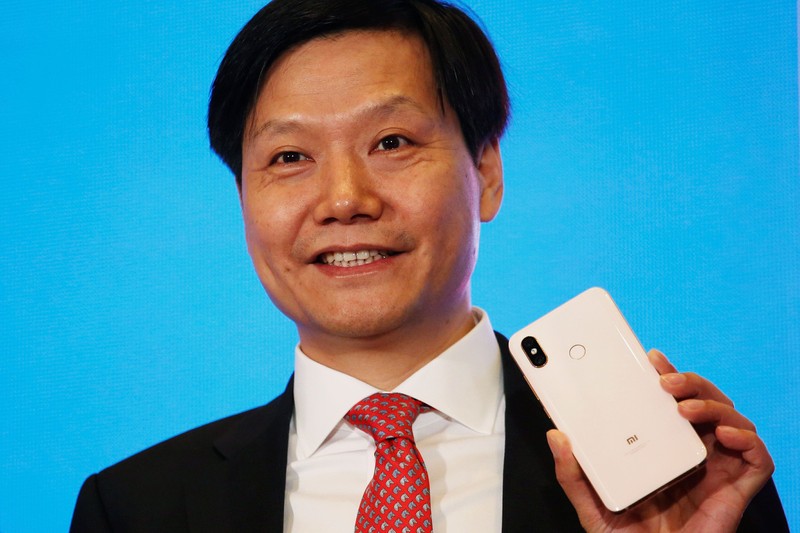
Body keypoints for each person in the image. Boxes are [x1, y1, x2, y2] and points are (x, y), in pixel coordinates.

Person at [70, 0, 788, 531]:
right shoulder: (137, 507)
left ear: (487, 172)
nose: (344, 199)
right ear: (242, 198)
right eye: (289, 157)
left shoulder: (677, 473)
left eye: (392, 142)